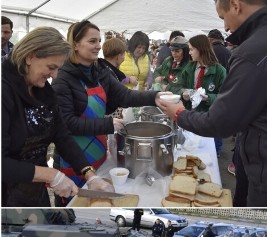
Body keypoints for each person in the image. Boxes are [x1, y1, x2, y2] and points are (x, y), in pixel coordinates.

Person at [157, 0, 267, 207]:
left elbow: (221, 122)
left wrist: (179, 114)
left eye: (223, 17)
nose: (225, 27)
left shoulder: (251, 52)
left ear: (236, 5)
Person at [2, 26, 111, 205]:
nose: (54, 75)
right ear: (30, 56)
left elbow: (62, 135)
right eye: (51, 67)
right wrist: (50, 174)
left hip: (35, 193)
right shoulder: (4, 91)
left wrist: (89, 174)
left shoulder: (43, 90)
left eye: (58, 69)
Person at [53, 20, 163, 187]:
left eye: (99, 41)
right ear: (75, 45)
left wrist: (155, 97)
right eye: (92, 41)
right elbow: (66, 123)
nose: (98, 46)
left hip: (98, 151)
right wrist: (107, 124)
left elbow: (125, 96)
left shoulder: (101, 72)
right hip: (74, 159)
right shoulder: (63, 78)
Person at [180, 34, 227, 156]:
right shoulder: (189, 68)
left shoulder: (219, 71)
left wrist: (208, 98)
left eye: (191, 49)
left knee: (209, 155)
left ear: (200, 49)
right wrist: (182, 92)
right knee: (191, 152)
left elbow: (226, 98)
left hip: (211, 120)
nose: (189, 53)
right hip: (191, 117)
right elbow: (176, 86)